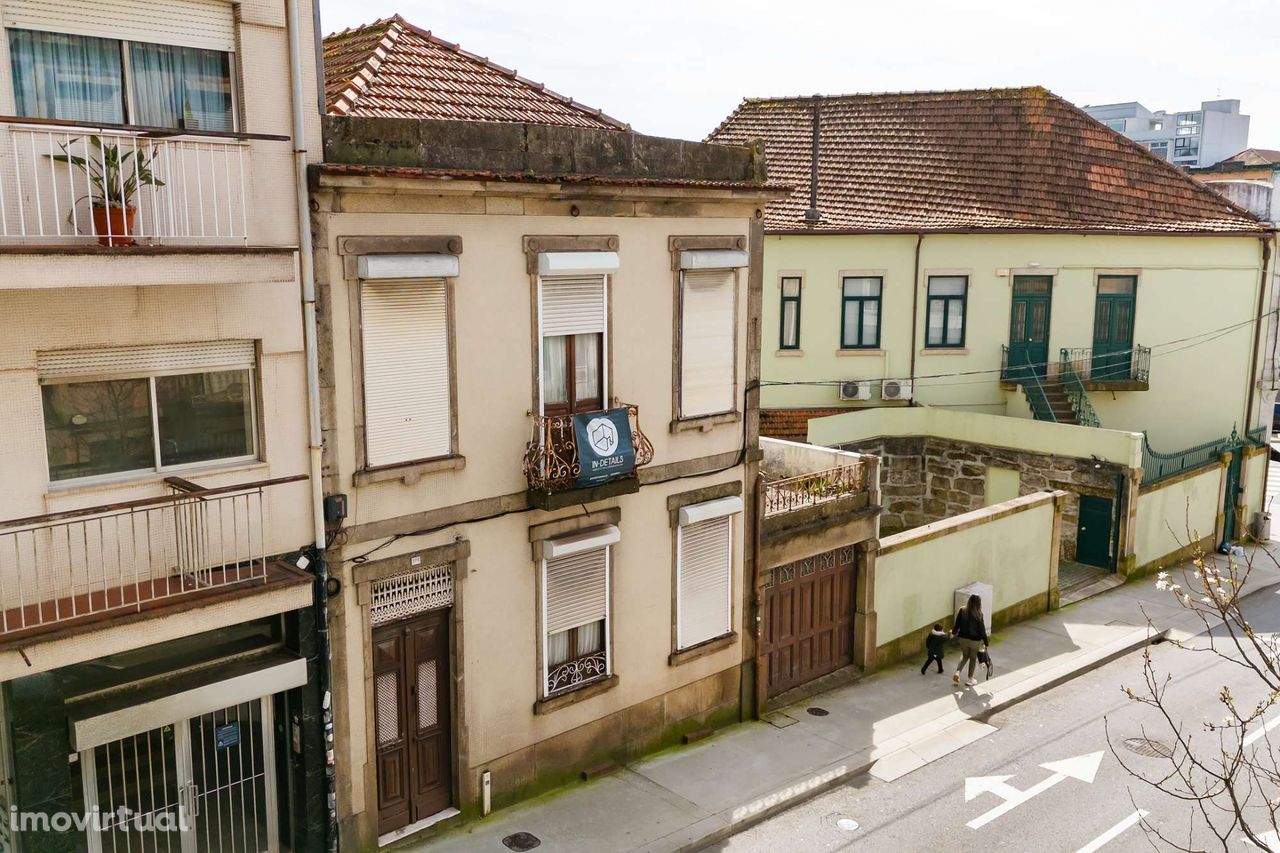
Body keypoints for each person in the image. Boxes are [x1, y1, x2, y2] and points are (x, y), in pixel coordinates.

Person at [951, 594, 988, 687]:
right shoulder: (979, 614)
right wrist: (986, 642)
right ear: (979, 603)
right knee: (972, 658)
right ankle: (970, 679)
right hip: (974, 641)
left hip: (963, 639)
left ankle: (957, 673)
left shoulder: (962, 610)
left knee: (964, 655)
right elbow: (982, 630)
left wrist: (954, 632)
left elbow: (957, 624)